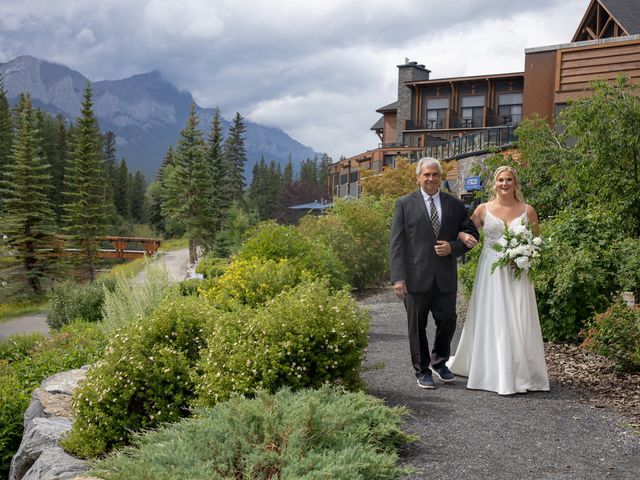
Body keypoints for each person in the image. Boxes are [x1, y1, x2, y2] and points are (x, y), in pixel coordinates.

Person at [449, 165, 550, 395]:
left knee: (518, 315)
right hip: (491, 272)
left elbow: (537, 242)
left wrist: (525, 254)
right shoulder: (483, 209)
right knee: (493, 316)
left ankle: (521, 371)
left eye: (509, 180)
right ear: (495, 183)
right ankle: (492, 371)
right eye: (501, 180)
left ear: (516, 183)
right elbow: (463, 230)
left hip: (518, 272)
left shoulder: (528, 210)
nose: (505, 184)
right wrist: (464, 235)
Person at [390, 157, 479, 389]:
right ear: (418, 177)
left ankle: (440, 363)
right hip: (415, 278)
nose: (431, 179)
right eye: (426, 175)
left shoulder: (455, 205)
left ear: (440, 177)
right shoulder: (404, 204)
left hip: (445, 277)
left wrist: (453, 247)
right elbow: (397, 244)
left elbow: (472, 235)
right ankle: (422, 371)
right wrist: (398, 278)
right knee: (417, 326)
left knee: (448, 321)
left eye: (435, 175)